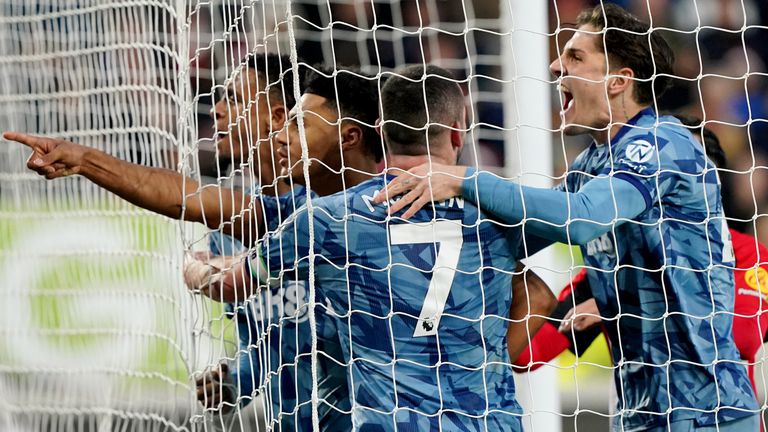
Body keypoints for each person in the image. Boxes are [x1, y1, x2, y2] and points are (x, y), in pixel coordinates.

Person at [374, 5, 760, 431]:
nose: (556, 65)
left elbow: (581, 219)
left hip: (709, 415)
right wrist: (402, 227)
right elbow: (513, 235)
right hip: (642, 413)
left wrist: (464, 179)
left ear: (619, 81)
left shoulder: (662, 141)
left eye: (576, 57)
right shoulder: (591, 167)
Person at [4, 61, 382, 430]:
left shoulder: (336, 213)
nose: (215, 110)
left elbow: (187, 204)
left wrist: (206, 272)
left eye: (232, 99)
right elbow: (265, 343)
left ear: (278, 116)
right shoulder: (236, 224)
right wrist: (235, 381)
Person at [202, 64, 552, 431]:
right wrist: (471, 380)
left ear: (378, 134)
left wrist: (195, 268)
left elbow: (228, 277)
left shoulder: (329, 220)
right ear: (457, 133)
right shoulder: (493, 213)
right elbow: (546, 282)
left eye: (298, 123)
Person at [515, 116, 768, 401]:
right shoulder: (613, 268)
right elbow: (527, 352)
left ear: (713, 186)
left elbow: (741, 335)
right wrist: (499, 262)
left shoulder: (748, 254)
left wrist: (619, 306)